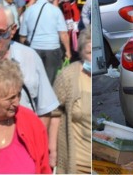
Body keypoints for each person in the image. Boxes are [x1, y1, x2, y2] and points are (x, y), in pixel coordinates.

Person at [50, 28, 92, 174]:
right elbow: (55, 114)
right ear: (81, 53)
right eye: (89, 53)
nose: (93, 58)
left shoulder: (103, 81)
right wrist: (53, 151)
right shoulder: (68, 76)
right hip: (77, 164)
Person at [19, 0, 71, 85]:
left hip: (33, 49)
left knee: (35, 80)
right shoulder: (56, 10)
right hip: (52, 48)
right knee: (51, 81)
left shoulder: (29, 10)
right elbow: (63, 34)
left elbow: (22, 36)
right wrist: (68, 51)